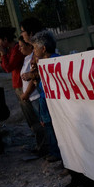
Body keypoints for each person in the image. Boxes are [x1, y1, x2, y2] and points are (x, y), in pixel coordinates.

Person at [29, 30, 62, 164]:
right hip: (48, 106)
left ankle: (61, 157)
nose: (33, 51)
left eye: (35, 48)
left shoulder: (54, 62)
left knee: (55, 133)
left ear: (43, 48)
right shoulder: (44, 63)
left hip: (55, 107)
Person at [18, 36, 48, 157]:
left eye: (21, 46)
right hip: (29, 97)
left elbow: (34, 77)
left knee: (43, 124)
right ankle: (41, 146)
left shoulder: (34, 58)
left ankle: (47, 148)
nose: (20, 49)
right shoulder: (26, 59)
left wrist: (26, 93)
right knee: (35, 125)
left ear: (29, 46)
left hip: (34, 96)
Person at [0, 27, 25, 116]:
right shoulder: (10, 50)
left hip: (21, 83)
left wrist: (3, 54)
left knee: (29, 113)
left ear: (5, 39)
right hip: (17, 84)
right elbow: (4, 67)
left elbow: (8, 68)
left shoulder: (16, 49)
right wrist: (1, 54)